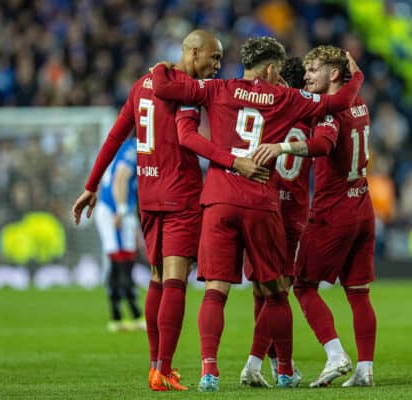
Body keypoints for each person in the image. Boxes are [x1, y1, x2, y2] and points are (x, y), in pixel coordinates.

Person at [151, 36, 363, 391]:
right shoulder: (287, 97)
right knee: (276, 291)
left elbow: (162, 87)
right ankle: (283, 370)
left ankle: (209, 372)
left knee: (215, 290)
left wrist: (163, 66)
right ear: (270, 68)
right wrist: (355, 76)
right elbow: (340, 101)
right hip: (263, 201)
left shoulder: (217, 88)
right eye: (278, 70)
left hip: (219, 199)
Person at [72, 30, 267, 392]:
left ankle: (155, 368)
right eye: (214, 57)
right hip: (181, 194)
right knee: (176, 280)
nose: (217, 66)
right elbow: (187, 138)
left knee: (159, 278)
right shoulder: (184, 91)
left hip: (148, 195)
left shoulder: (143, 84)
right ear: (192, 53)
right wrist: (231, 161)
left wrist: (91, 185)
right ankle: (163, 369)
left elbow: (116, 135)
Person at [252, 45, 377, 388]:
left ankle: (336, 354)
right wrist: (359, 75)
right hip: (363, 205)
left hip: (333, 211)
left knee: (304, 286)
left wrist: (282, 147)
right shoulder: (358, 101)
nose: (306, 76)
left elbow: (322, 145)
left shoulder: (328, 112)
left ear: (334, 74)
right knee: (358, 292)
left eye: (313, 69)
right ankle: (365, 370)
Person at [241, 56, 311, 386]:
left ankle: (275, 367)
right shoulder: (308, 111)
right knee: (280, 290)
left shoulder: (266, 112)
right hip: (292, 211)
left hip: (259, 206)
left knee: (261, 290)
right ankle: (275, 366)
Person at [94, 135, 145, 333]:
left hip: (122, 210)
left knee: (126, 262)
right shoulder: (134, 148)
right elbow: (120, 179)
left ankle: (121, 317)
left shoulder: (128, 147)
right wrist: (122, 211)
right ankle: (129, 316)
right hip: (112, 211)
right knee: (121, 263)